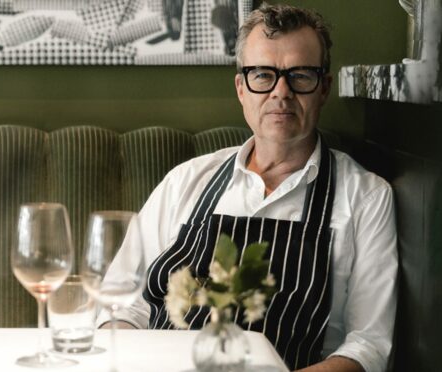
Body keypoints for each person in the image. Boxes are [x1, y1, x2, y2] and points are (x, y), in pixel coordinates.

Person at [102, 4, 397, 372]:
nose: (281, 92)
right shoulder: (186, 181)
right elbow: (121, 304)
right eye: (263, 75)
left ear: (324, 88)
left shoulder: (367, 197)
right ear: (241, 88)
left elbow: (367, 347)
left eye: (300, 75)